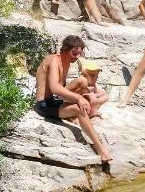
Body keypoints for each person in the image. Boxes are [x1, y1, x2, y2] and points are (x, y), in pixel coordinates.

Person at [35, 35, 113, 165]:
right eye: (74, 53)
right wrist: (78, 98)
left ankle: (77, 117)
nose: (77, 56)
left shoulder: (66, 61)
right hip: (45, 105)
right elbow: (55, 88)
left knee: (83, 87)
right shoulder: (54, 60)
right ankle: (101, 149)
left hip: (55, 101)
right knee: (79, 108)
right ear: (65, 49)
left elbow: (63, 88)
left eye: (79, 53)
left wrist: (84, 95)